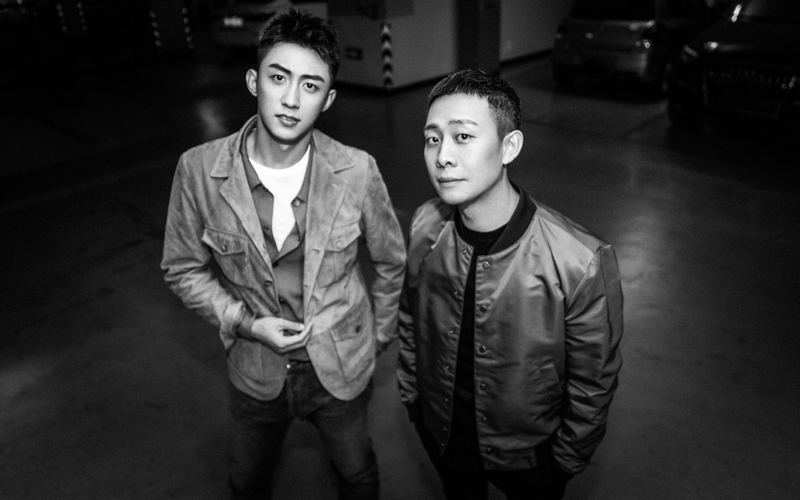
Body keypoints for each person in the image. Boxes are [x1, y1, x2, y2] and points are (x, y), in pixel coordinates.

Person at [161, 9, 405, 500]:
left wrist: (377, 336)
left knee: (357, 474)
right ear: (255, 81)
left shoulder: (357, 171)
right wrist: (246, 324)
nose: (292, 99)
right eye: (279, 78)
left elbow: (390, 261)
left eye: (310, 86)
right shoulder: (199, 171)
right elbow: (182, 268)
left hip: (341, 367)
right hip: (255, 369)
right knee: (246, 480)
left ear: (327, 99)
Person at [396, 69, 623, 500]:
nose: (442, 156)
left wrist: (563, 462)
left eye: (463, 136)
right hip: (443, 433)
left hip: (531, 457)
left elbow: (593, 383)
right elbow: (410, 318)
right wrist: (412, 398)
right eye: (432, 138)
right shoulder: (426, 226)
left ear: (509, 147)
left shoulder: (579, 261)